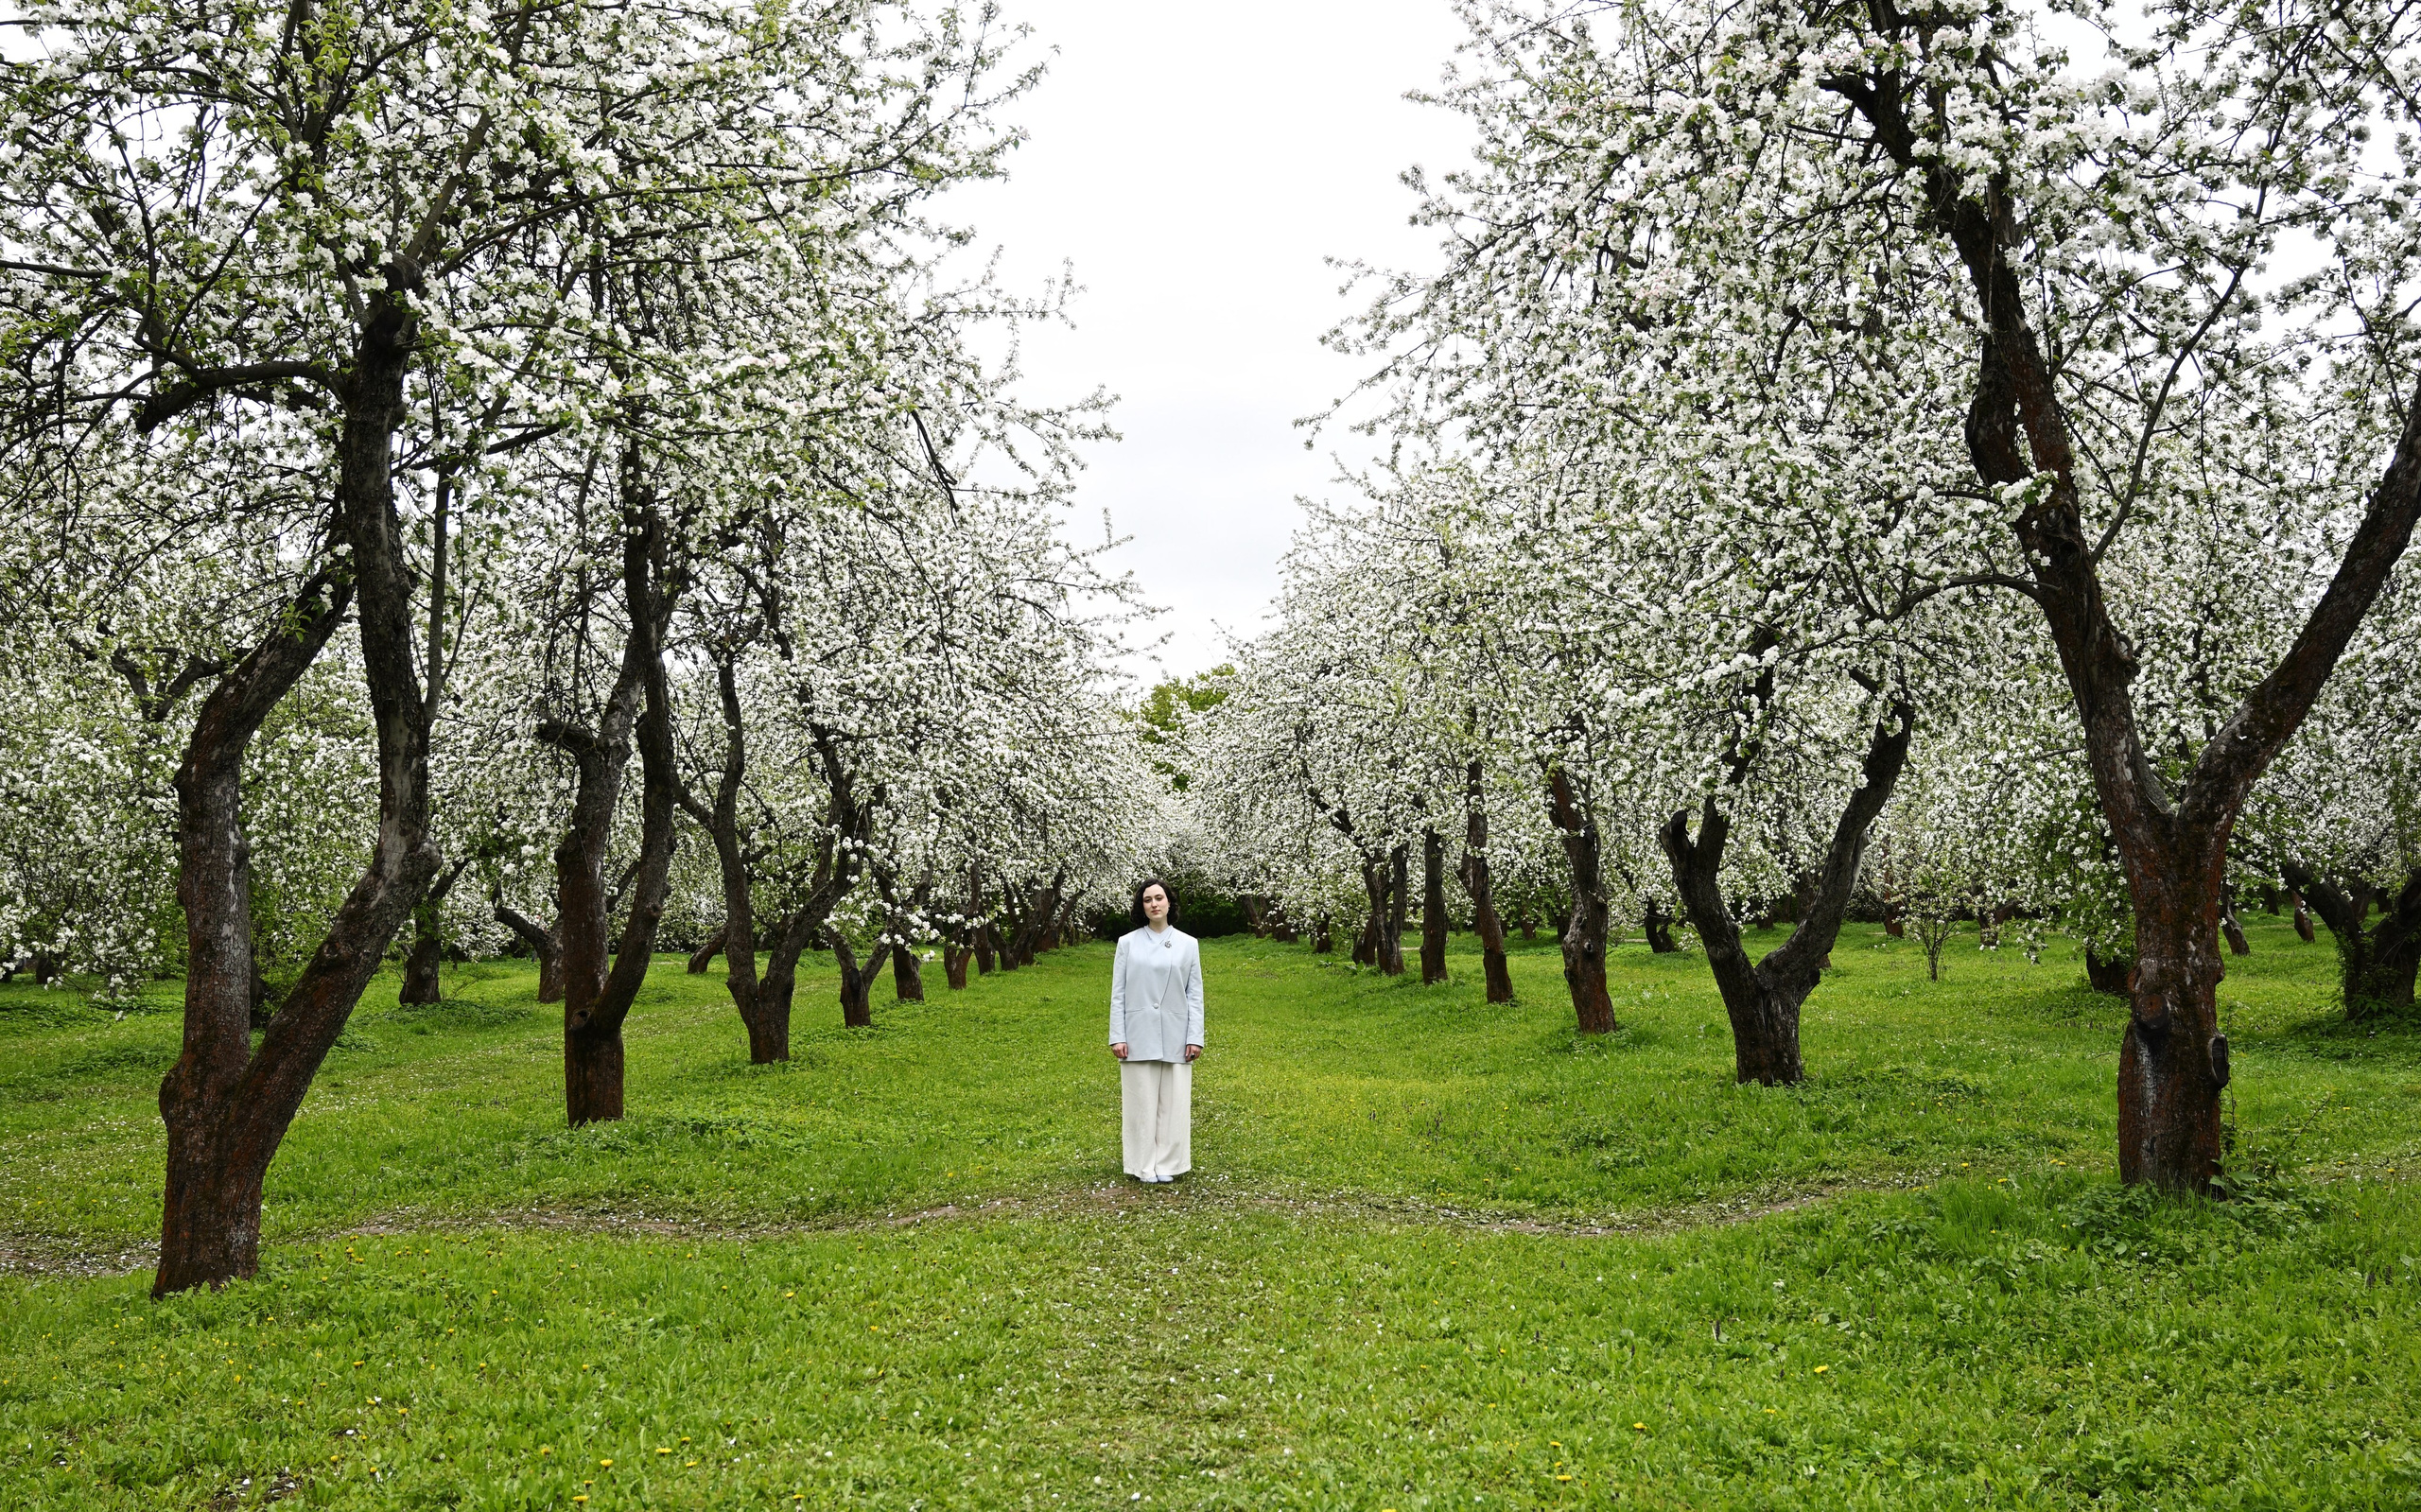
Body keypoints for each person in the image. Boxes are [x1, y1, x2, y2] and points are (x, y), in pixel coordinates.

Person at [1107, 878, 1203, 1184]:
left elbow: (1195, 994)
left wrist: (1195, 1036)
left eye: (1159, 898)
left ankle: (1169, 1164)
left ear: (1169, 902)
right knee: (1141, 1102)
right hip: (1138, 1033)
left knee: (1173, 1104)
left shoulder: (1189, 944)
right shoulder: (1127, 943)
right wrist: (1118, 1035)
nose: (1154, 904)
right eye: (1147, 900)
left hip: (1177, 1031)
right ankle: (1142, 1164)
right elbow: (1118, 993)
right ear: (1142, 906)